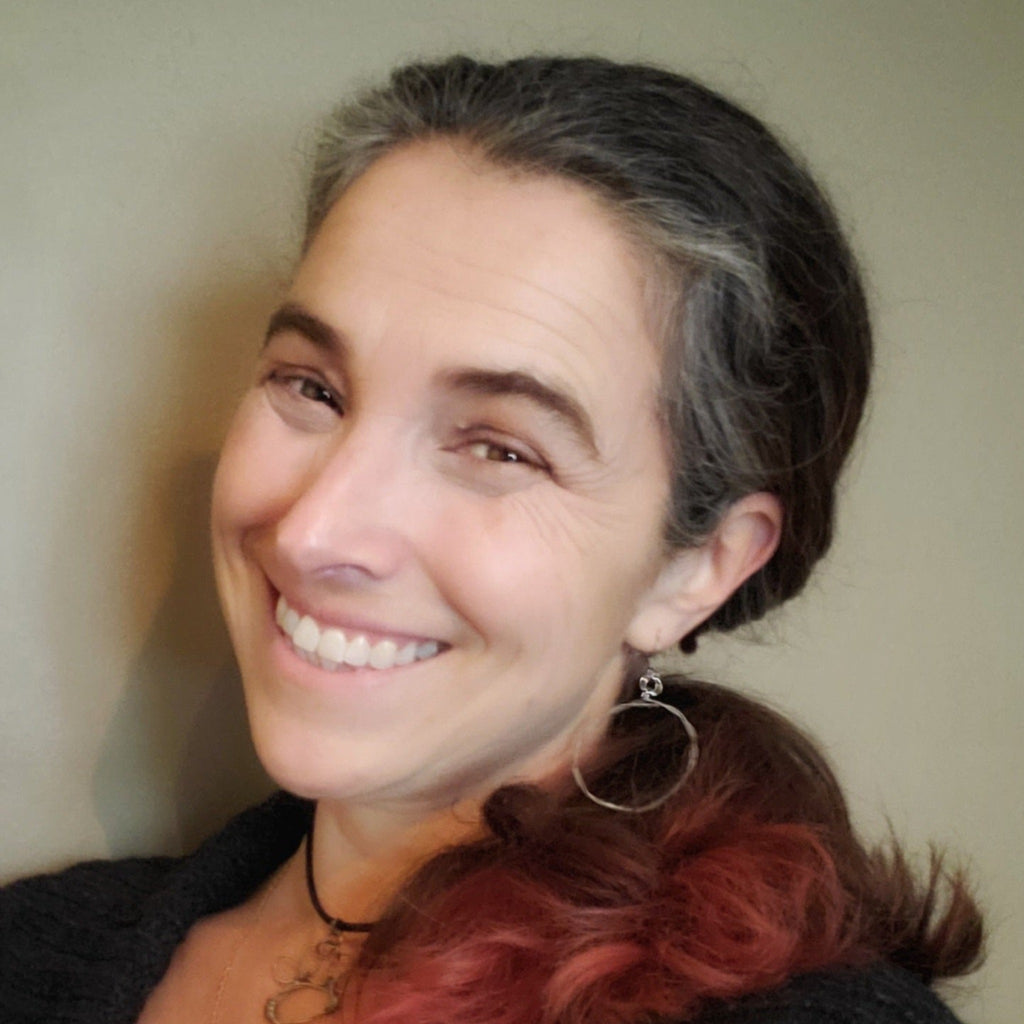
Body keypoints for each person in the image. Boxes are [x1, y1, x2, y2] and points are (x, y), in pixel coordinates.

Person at [0, 55, 982, 1024]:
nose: (313, 530)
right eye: (313, 388)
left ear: (697, 567)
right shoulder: (34, 943)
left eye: (501, 448)